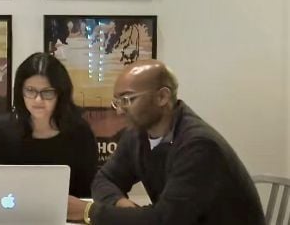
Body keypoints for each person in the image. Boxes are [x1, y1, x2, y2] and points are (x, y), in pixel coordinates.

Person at [67, 60, 266, 224]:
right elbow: (105, 179)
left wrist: (88, 211)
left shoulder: (199, 146)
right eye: (117, 102)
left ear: (162, 96)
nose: (119, 110)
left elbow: (165, 220)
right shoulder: (138, 134)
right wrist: (121, 205)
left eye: (127, 99)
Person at [0, 52, 98, 198]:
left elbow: (87, 192)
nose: (38, 100)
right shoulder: (3, 131)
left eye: (47, 92)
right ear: (20, 92)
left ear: (60, 94)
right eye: (30, 91)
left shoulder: (80, 133)